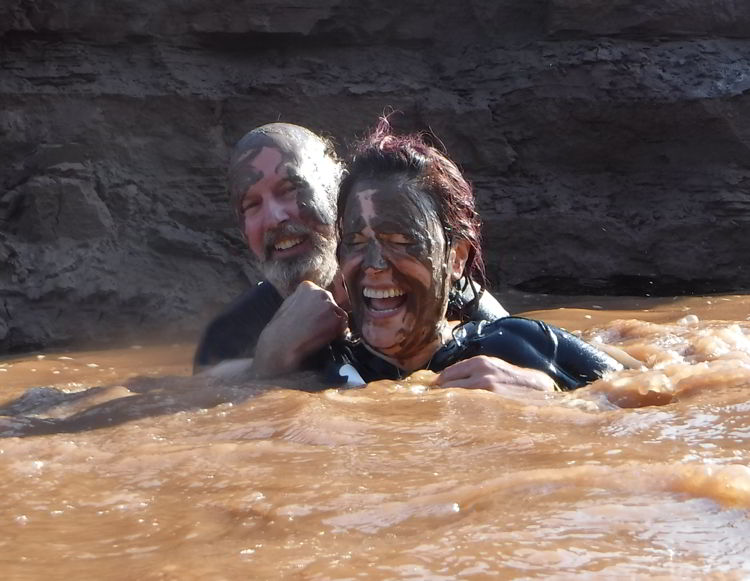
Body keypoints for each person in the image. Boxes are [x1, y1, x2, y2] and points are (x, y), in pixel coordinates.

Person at [193, 123, 509, 381]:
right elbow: (195, 407)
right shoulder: (233, 334)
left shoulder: (447, 292)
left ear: (339, 191)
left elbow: (518, 368)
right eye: (251, 205)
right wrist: (267, 363)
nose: (275, 217)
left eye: (291, 190)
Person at [326, 122, 621, 391]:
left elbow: (652, 394)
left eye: (402, 241)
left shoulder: (518, 344)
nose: (374, 264)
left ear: (456, 258)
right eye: (356, 242)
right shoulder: (319, 365)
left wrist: (549, 393)